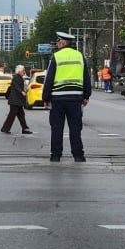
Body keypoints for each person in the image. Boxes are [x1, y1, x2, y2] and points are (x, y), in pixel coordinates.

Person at [43, 31, 92, 162]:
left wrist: (46, 98)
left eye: (58, 42)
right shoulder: (80, 56)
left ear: (63, 43)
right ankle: (78, 155)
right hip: (75, 99)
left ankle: (55, 155)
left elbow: (49, 78)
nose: (57, 45)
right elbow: (86, 77)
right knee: (75, 128)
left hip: (57, 99)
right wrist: (86, 95)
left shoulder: (56, 57)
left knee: (57, 128)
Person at [0, 64, 33, 135]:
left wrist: (25, 90)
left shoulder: (19, 77)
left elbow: (19, 86)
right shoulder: (16, 77)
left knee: (21, 115)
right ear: (19, 71)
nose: (24, 71)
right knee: (12, 115)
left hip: (18, 100)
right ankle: (5, 128)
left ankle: (24, 128)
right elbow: (16, 86)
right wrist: (22, 92)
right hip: (15, 100)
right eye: (23, 70)